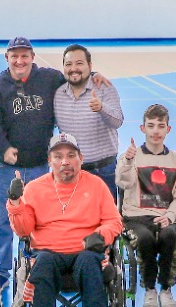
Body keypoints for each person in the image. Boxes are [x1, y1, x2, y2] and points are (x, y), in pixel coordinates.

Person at [0, 36, 113, 287]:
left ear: (32, 57)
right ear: (7, 58)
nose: (20, 60)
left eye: (24, 55)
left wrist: (93, 74)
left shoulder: (48, 78)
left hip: (41, 169)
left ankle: (38, 264)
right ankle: (2, 271)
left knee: (43, 221)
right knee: (3, 222)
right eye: (15, 56)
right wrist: (4, 147)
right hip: (7, 168)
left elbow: (75, 76)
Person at [7, 134, 123, 307]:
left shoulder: (96, 185)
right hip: (47, 253)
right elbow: (23, 230)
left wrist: (101, 236)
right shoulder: (34, 188)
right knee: (43, 261)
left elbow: (114, 221)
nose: (65, 161)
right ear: (49, 160)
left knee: (90, 261)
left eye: (71, 155)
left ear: (81, 158)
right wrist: (15, 203)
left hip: (86, 252)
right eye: (58, 156)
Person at [115, 104, 176, 307]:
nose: (156, 131)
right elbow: (123, 182)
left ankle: (166, 289)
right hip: (136, 217)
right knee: (145, 238)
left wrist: (170, 216)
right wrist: (128, 161)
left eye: (160, 126)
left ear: (168, 129)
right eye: (151, 126)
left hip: (167, 217)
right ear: (143, 129)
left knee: (169, 235)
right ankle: (149, 289)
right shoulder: (130, 157)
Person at [53, 44, 124, 199]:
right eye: (68, 64)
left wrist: (101, 108)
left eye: (79, 63)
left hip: (104, 170)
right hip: (72, 171)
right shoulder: (58, 94)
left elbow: (118, 121)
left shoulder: (104, 88)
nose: (73, 68)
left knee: (106, 213)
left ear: (90, 66)